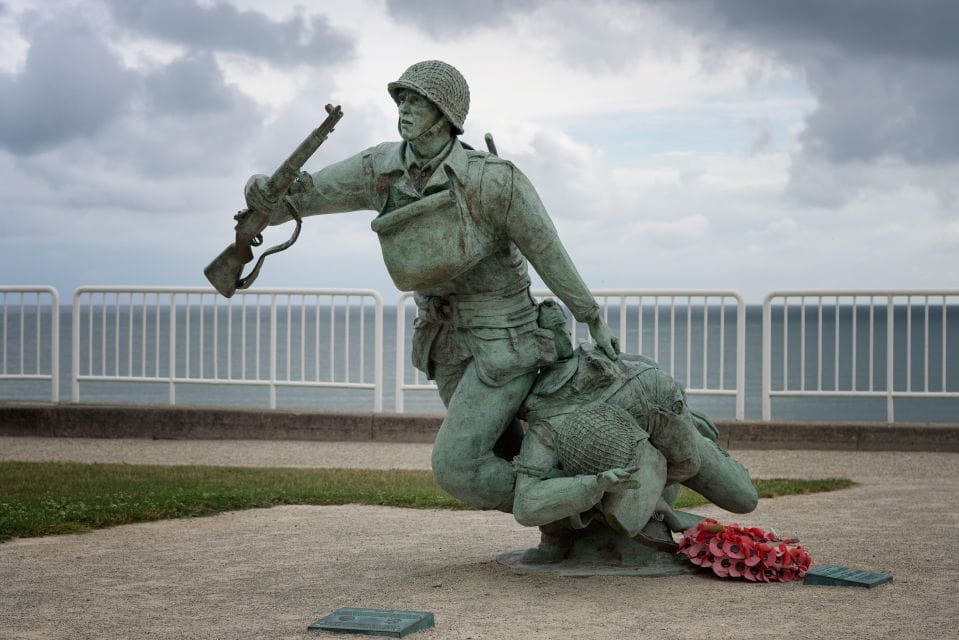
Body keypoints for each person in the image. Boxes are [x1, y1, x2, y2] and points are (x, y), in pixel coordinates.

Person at [244, 60, 617, 511]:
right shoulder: (378, 167)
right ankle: (568, 523)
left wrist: (591, 316)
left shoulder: (494, 179)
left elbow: (547, 251)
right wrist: (261, 192)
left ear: (445, 114)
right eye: (401, 98)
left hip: (505, 340)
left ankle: (596, 506)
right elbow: (296, 202)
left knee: (457, 467)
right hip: (443, 344)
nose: (403, 108)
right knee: (504, 452)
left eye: (416, 100)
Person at [511, 312, 758, 562]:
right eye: (540, 334)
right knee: (625, 510)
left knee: (744, 498)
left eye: (557, 327)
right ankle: (566, 533)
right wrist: (592, 485)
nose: (555, 337)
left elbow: (649, 367)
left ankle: (674, 472)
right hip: (635, 459)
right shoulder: (545, 416)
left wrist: (684, 415)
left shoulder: (598, 355)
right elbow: (526, 504)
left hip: (667, 418)